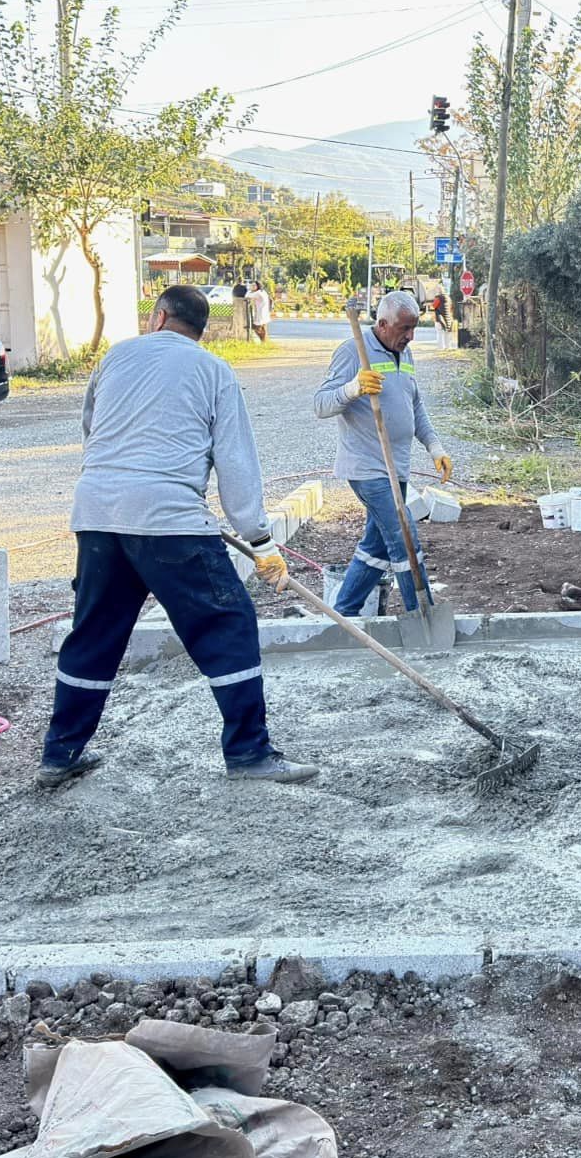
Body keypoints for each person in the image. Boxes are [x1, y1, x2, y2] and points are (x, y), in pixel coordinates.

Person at [42, 285, 316, 787]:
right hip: (168, 518)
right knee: (228, 624)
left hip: (98, 512)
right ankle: (250, 753)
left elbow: (92, 430)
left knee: (95, 634)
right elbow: (235, 462)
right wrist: (259, 541)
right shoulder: (213, 370)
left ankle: (61, 753)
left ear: (159, 317)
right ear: (200, 329)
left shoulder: (114, 358)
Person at [315, 288, 452, 617]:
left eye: (414, 327)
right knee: (404, 539)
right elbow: (320, 404)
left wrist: (435, 447)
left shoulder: (404, 353)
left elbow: (414, 405)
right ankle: (420, 615)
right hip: (367, 468)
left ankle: (342, 613)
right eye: (404, 328)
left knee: (376, 547)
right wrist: (354, 387)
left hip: (397, 467)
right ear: (382, 324)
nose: (411, 336)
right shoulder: (353, 351)